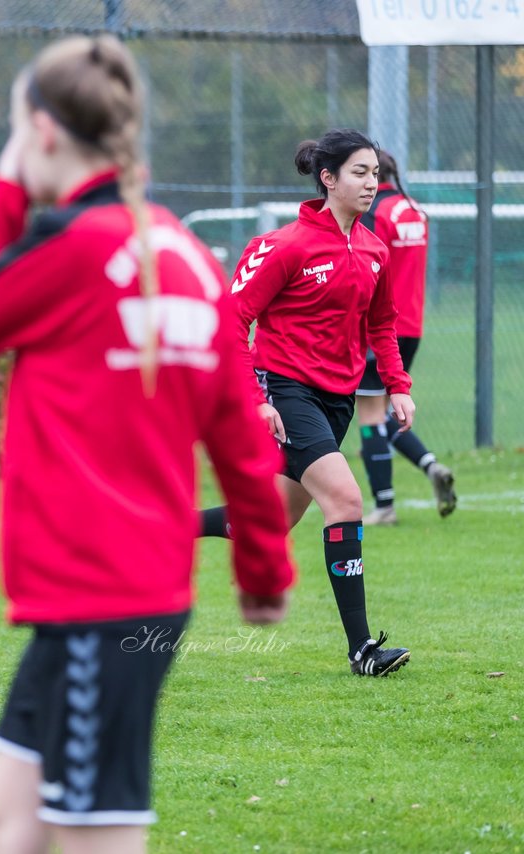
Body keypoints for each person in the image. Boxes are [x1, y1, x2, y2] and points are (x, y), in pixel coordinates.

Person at [0, 36, 295, 854]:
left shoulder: (78, 248)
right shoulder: (186, 254)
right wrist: (261, 567)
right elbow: (238, 434)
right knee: (7, 825)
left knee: (96, 833)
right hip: (106, 598)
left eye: (18, 134)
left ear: (42, 134)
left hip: (104, 597)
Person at [199, 129, 414, 678]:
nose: (371, 183)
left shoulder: (373, 249)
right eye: (359, 173)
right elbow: (230, 322)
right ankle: (362, 650)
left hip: (337, 400)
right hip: (285, 389)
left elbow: (383, 324)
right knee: (344, 499)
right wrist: (255, 399)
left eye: (375, 173)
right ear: (329, 179)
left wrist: (398, 385)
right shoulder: (284, 245)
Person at [356, 149, 455, 525]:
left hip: (379, 327)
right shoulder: (414, 209)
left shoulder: (374, 213)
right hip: (412, 324)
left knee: (370, 416)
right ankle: (430, 467)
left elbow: (367, 265)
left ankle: (384, 505)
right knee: (386, 413)